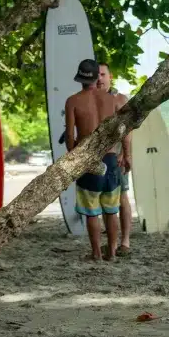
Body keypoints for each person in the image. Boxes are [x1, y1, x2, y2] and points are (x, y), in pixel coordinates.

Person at [65, 59, 120, 261]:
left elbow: (70, 136)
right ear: (98, 77)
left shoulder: (73, 101)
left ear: (80, 79)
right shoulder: (112, 100)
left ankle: (96, 253)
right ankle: (112, 252)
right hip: (111, 158)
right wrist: (126, 153)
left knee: (92, 211)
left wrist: (73, 160)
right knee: (111, 210)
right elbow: (120, 130)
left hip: (88, 159)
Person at [97, 62, 133, 256]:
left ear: (110, 77)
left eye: (103, 74)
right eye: (96, 75)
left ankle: (125, 242)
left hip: (117, 156)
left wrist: (125, 154)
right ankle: (111, 243)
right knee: (104, 201)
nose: (99, 79)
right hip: (98, 158)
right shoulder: (91, 99)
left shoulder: (120, 100)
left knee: (122, 198)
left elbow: (128, 129)